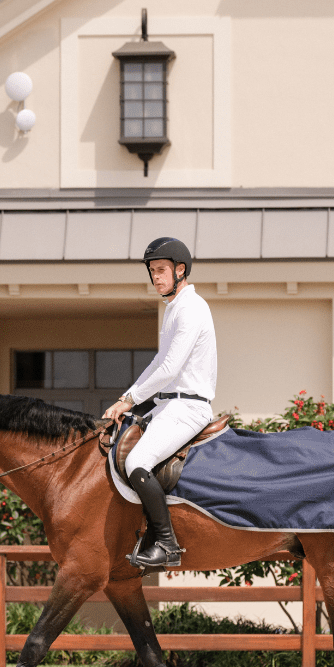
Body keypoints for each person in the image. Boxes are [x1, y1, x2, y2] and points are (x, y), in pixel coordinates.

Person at [103, 237, 217, 569]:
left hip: (188, 407)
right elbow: (158, 363)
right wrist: (126, 398)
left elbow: (169, 369)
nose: (156, 277)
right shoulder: (174, 308)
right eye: (152, 271)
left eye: (161, 270)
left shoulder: (192, 308)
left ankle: (167, 545)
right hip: (168, 405)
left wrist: (129, 400)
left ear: (180, 270)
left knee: (137, 462)